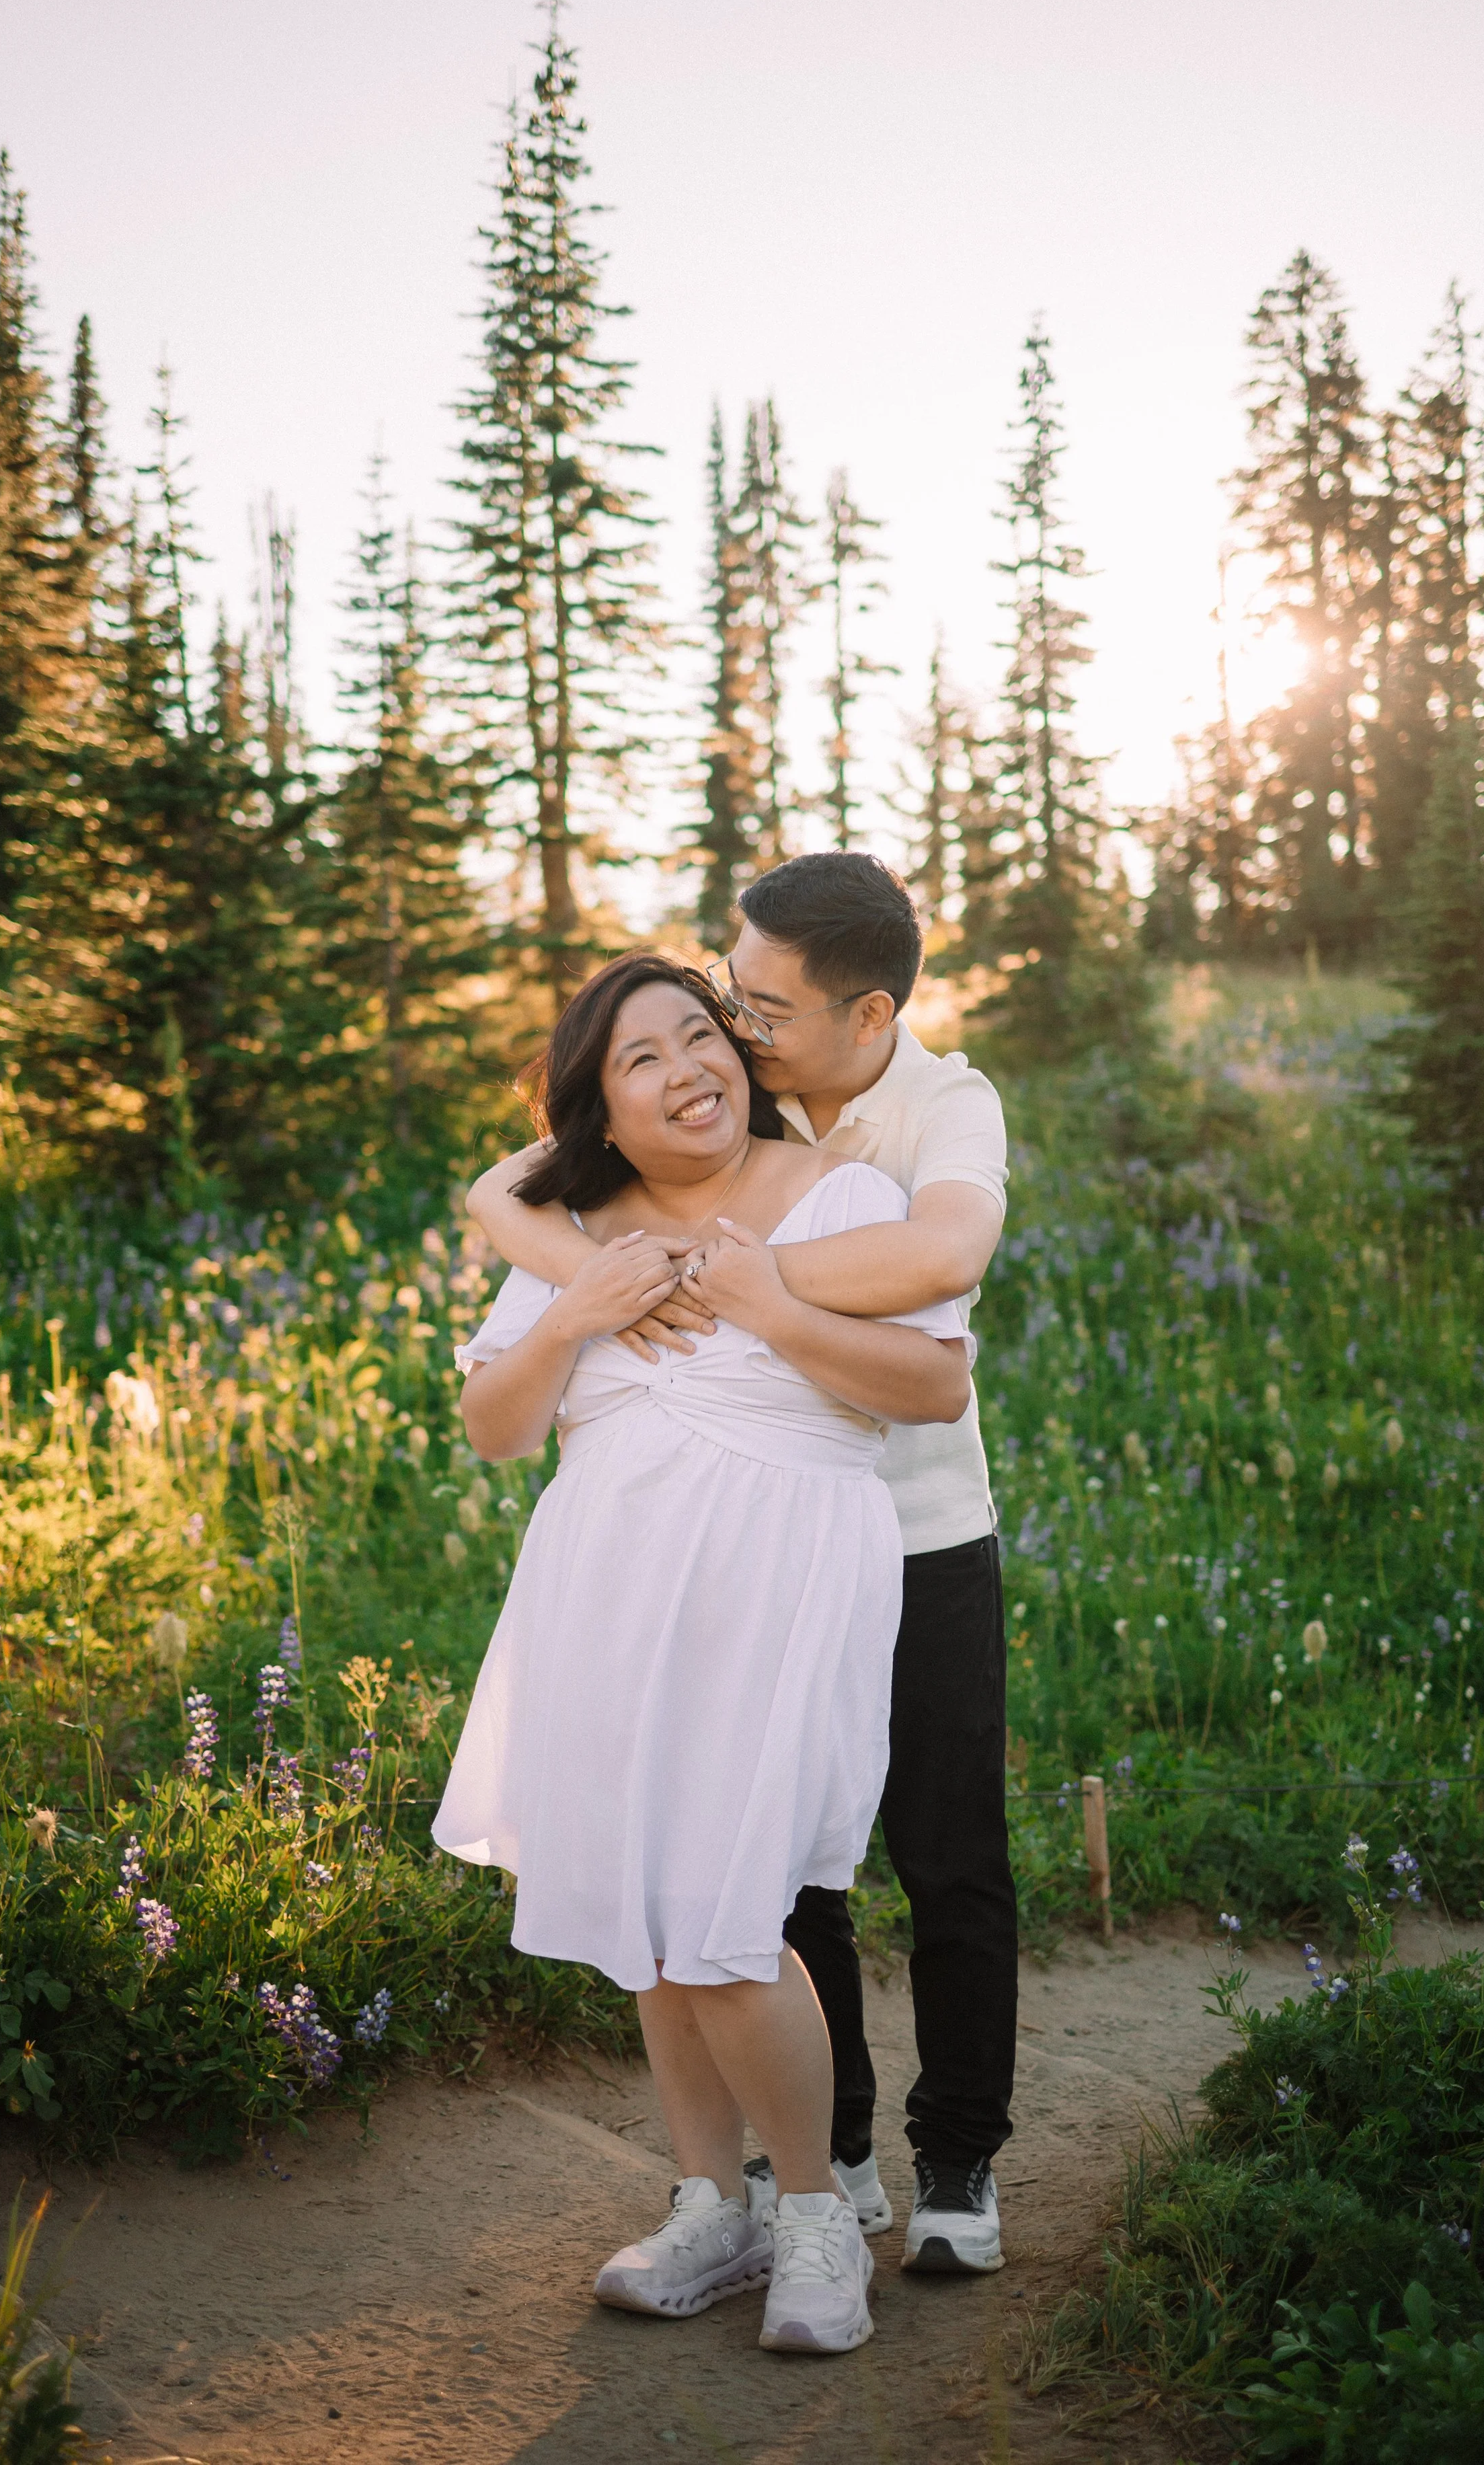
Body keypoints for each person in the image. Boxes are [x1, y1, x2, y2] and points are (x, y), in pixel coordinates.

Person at [467, 853, 1015, 2275]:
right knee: (771, 1880)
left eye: (756, 1007)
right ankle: (817, 2166)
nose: (733, 1024)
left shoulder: (933, 1109)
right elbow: (525, 1174)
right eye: (727, 995)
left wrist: (727, 1279)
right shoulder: (726, 1092)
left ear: (864, 1012)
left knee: (944, 1854)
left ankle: (956, 2160)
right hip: (712, 1555)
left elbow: (947, 1249)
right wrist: (584, 1269)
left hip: (913, 1529)